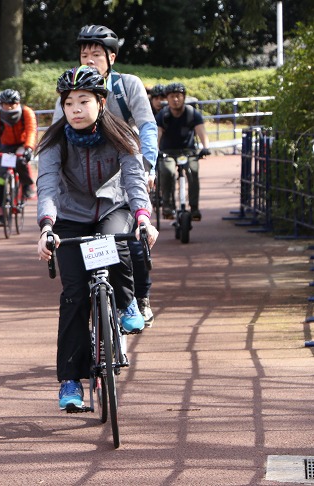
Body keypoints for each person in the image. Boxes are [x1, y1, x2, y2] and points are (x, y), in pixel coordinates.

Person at [36, 65, 159, 410]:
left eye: (83, 101)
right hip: (70, 217)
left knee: (116, 243)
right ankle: (71, 381)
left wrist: (144, 218)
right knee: (74, 295)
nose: (75, 109)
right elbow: (46, 185)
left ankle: (126, 300)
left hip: (111, 208)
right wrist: (46, 227)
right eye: (69, 102)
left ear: (101, 102)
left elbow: (135, 181)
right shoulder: (54, 140)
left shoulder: (122, 135)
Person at [53, 24, 159, 326]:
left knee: (133, 242)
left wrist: (148, 165)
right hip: (82, 186)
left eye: (96, 54)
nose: (89, 60)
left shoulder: (127, 86)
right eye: (84, 54)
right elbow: (57, 135)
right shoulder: (72, 92)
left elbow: (147, 126)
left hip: (124, 172)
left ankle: (140, 298)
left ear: (111, 57)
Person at [0, 89, 37, 226]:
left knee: (21, 162)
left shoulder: (26, 112)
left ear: (18, 103)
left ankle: (26, 186)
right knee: (1, 179)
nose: (9, 107)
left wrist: (29, 148)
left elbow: (31, 130)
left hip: (21, 144)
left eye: (12, 104)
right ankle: (1, 213)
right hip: (4, 146)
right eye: (6, 104)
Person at [156, 82, 210, 221]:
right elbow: (157, 135)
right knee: (167, 171)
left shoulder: (192, 114)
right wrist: (156, 150)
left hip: (188, 151)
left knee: (193, 171)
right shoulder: (163, 115)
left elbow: (202, 132)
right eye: (172, 96)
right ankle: (167, 206)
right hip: (167, 152)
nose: (175, 99)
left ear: (184, 97)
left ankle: (194, 207)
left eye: (178, 96)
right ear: (167, 99)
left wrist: (205, 147)